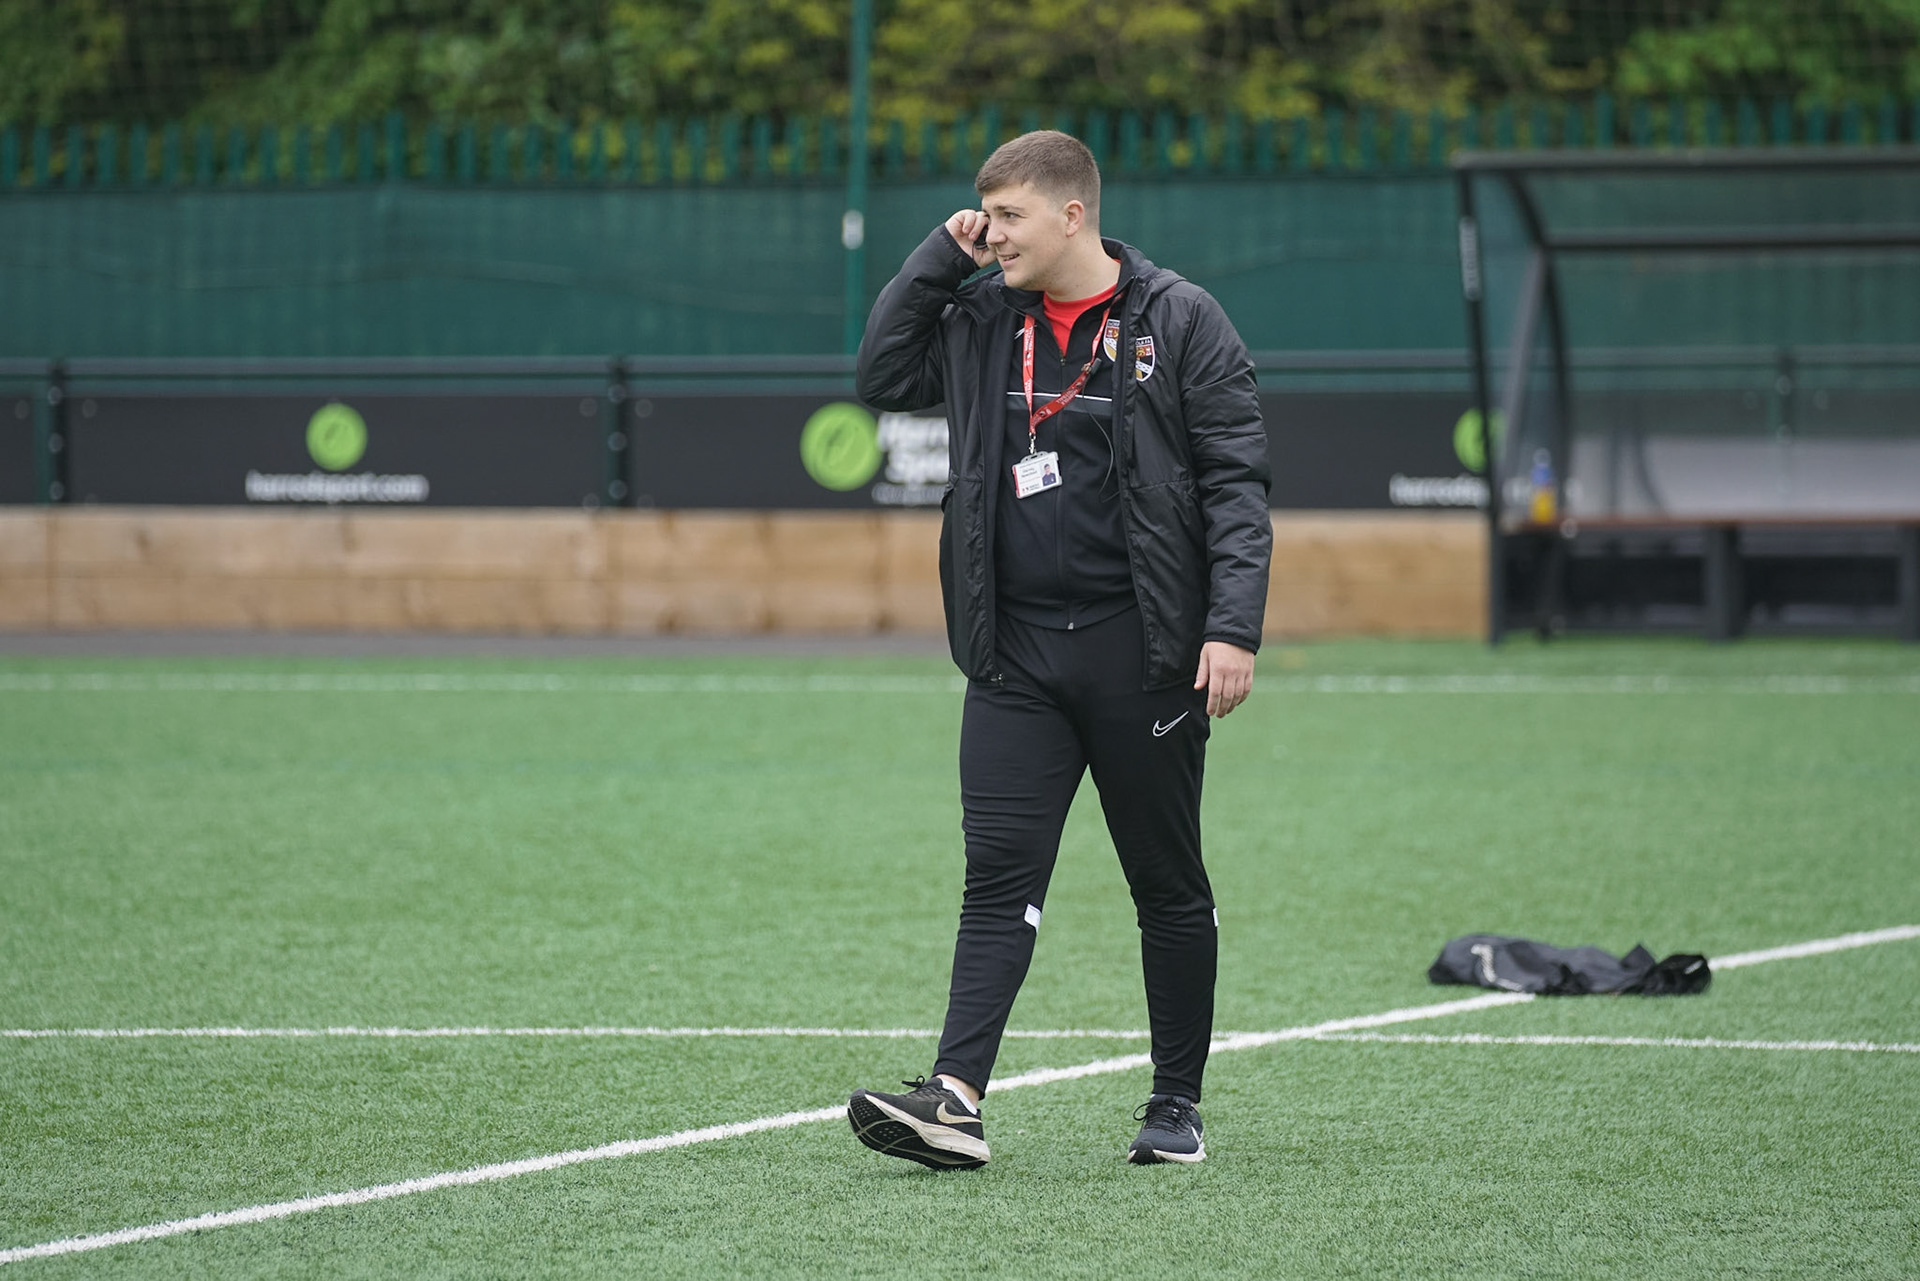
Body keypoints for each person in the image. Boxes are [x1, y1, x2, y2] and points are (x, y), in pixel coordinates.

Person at [846, 130, 1271, 1169]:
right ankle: (954, 1101)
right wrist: (938, 257)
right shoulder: (983, 314)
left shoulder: (1181, 317)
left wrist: (1231, 626)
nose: (992, 235)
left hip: (1145, 653)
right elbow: (882, 374)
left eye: (1010, 216)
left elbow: (1236, 483)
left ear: (1073, 214)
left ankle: (1175, 1105)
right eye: (985, 216)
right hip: (1015, 654)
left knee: (1165, 883)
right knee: (996, 878)